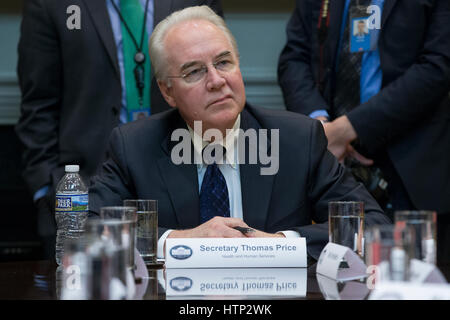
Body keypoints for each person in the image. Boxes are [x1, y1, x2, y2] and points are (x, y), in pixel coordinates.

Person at [88, 5, 390, 261]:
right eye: (194, 71)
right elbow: (88, 231)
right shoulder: (134, 146)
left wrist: (278, 244)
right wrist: (182, 241)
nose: (217, 80)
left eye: (223, 62)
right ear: (168, 92)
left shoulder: (297, 140)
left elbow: (372, 227)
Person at [15, 0, 223, 259]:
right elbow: (38, 104)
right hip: (81, 190)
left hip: (178, 193)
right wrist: (49, 190)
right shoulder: (51, 5)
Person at [278, 0, 450, 263]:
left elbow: (438, 66)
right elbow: (294, 58)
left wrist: (348, 128)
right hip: (334, 169)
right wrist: (319, 126)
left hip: (413, 170)